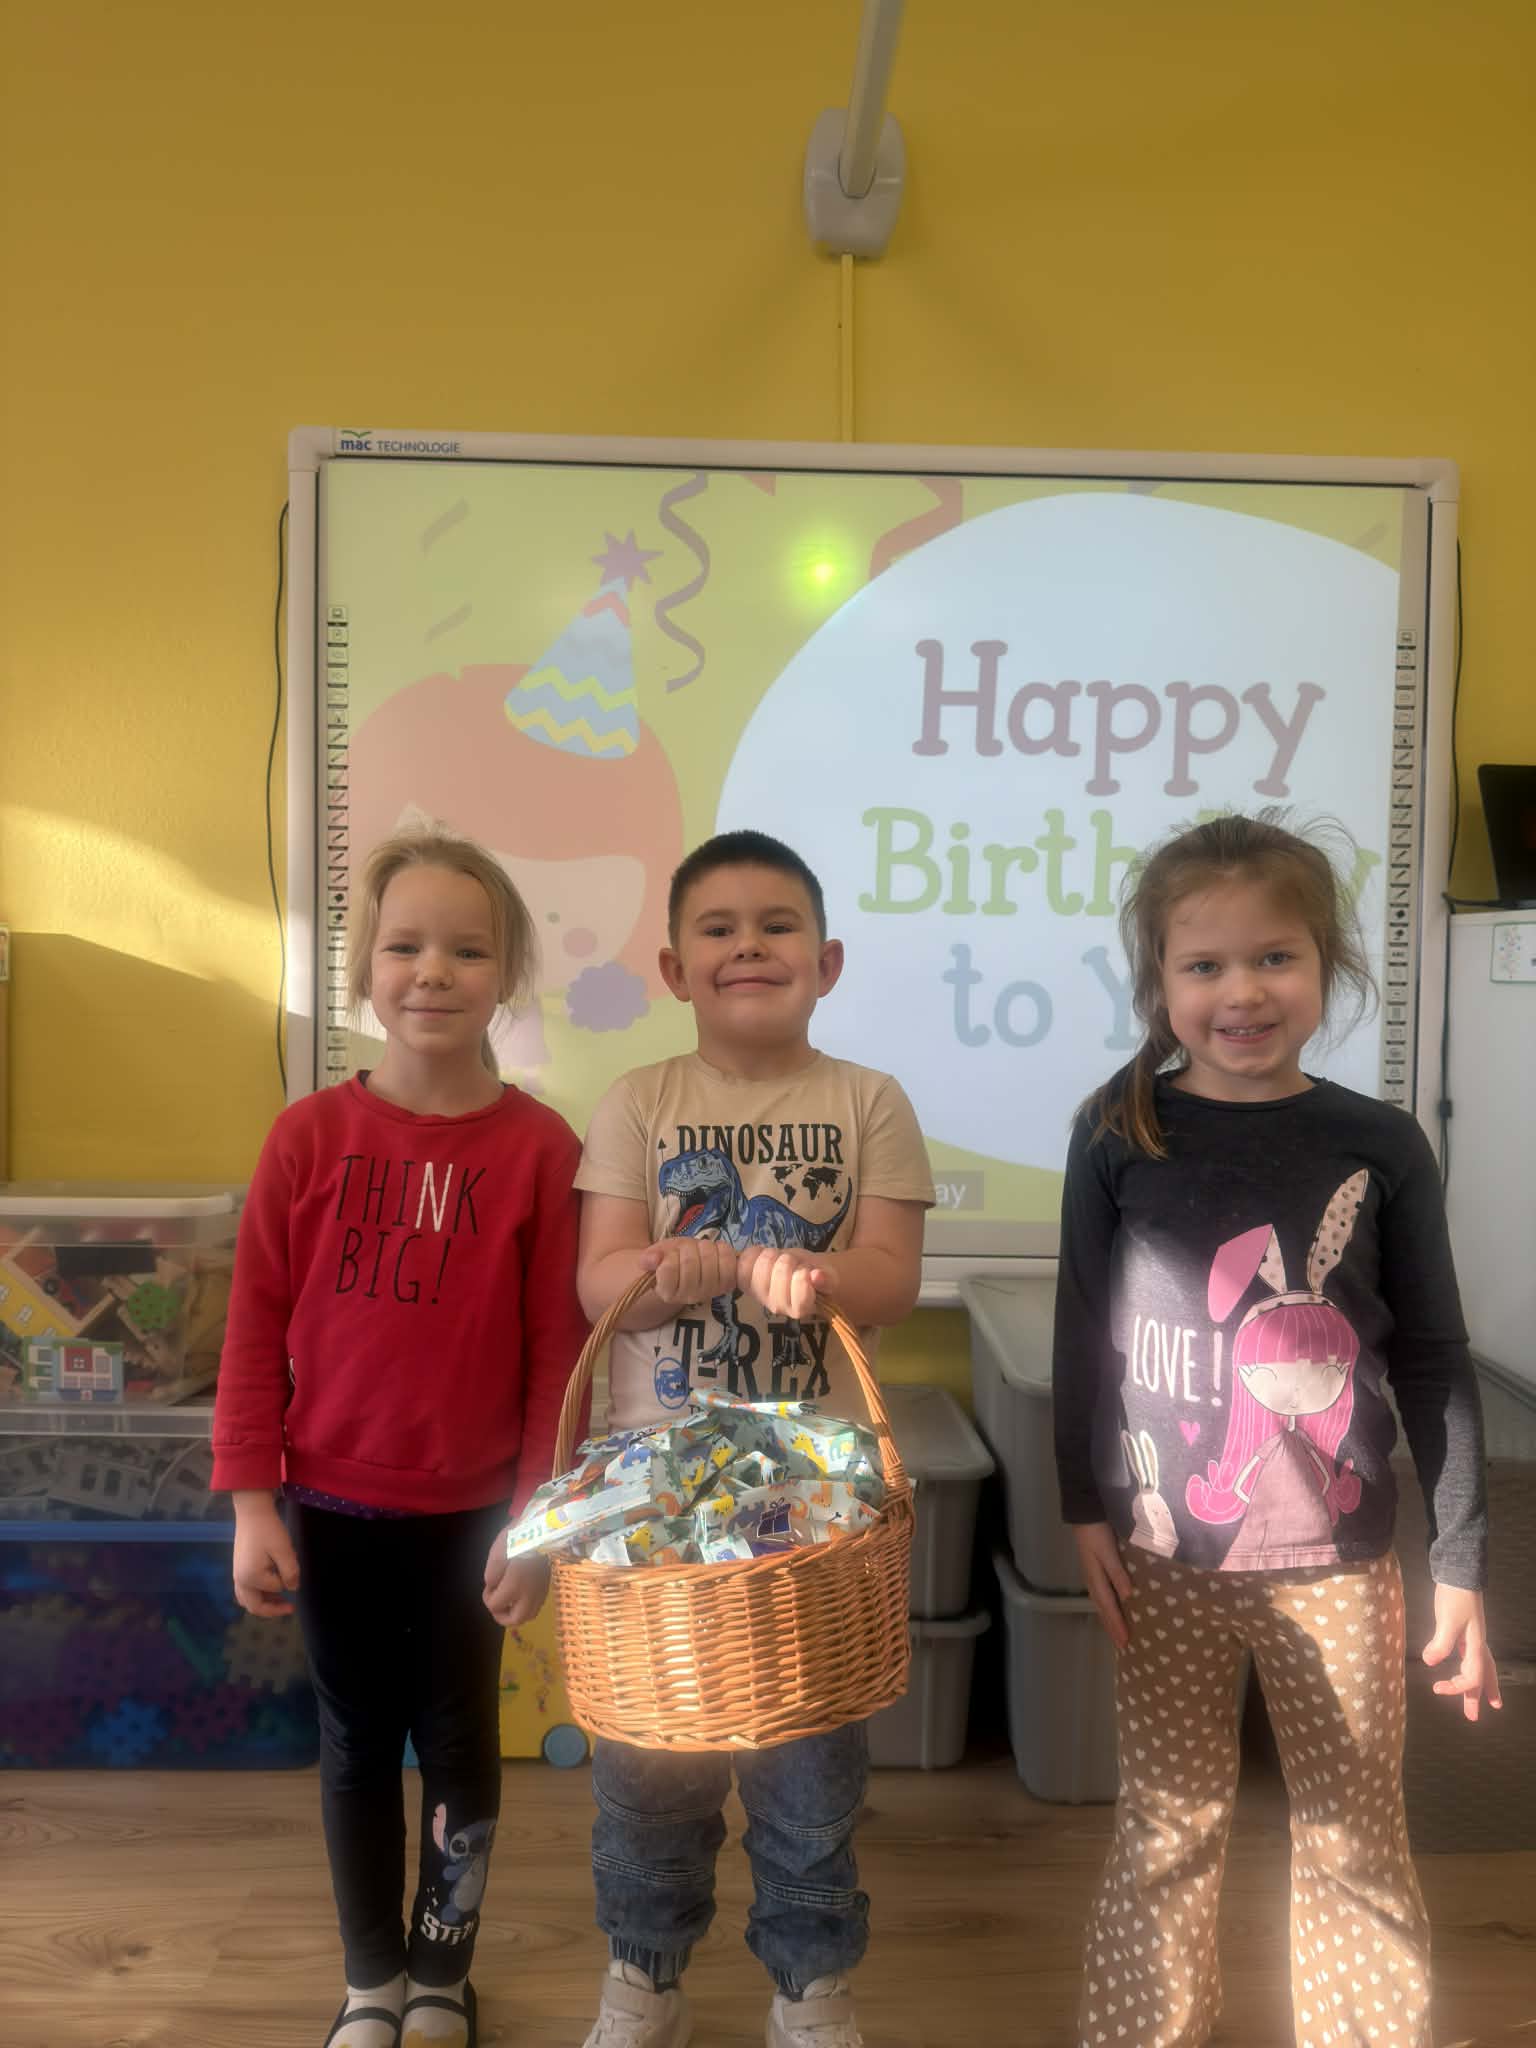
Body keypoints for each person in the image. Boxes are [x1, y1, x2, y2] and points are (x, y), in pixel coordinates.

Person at [1052, 810, 1500, 2048]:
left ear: (1326, 963)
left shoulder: (1380, 1143)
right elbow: (1084, 1332)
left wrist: (1459, 1555)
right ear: (1158, 981)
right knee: (1169, 1820)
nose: (1241, 991)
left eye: (1274, 956)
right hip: (1163, 1555)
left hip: (1340, 1563)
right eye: (1204, 964)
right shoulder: (1118, 1130)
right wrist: (1083, 1504)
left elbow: (1434, 1353)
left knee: (1352, 1829)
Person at [212, 825, 590, 2048]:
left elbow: (557, 1359)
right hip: (330, 1508)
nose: (433, 970)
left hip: (476, 1521)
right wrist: (252, 1500)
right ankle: (373, 1976)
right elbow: (251, 1326)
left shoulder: (544, 1151)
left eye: (467, 949)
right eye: (404, 946)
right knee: (357, 1745)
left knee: (463, 1743)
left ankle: (443, 1975)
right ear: (363, 969)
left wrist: (537, 1521)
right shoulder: (305, 1138)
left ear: (505, 972)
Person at [572, 829, 934, 2048]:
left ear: (826, 962)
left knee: (810, 1783)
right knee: (646, 1777)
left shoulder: (869, 1099)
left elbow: (890, 1278)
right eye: (718, 929)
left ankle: (812, 1988)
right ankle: (644, 1976)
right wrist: (666, 1273)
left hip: (814, 1503)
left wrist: (811, 1278)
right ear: (676, 969)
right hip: (653, 1497)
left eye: (778, 926)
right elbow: (597, 1282)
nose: (749, 946)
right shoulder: (638, 1101)